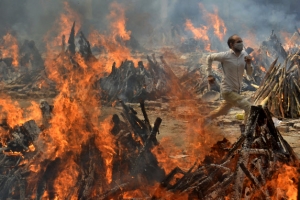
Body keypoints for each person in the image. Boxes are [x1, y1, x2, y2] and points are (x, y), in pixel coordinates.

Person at [203, 34, 253, 130]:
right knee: (248, 107)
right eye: (238, 42)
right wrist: (209, 74)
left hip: (236, 90)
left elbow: (249, 74)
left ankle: (205, 120)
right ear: (231, 44)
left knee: (222, 111)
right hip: (227, 90)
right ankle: (246, 131)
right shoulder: (225, 56)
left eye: (241, 41)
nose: (241, 43)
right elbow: (209, 57)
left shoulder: (245, 55)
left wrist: (249, 64)